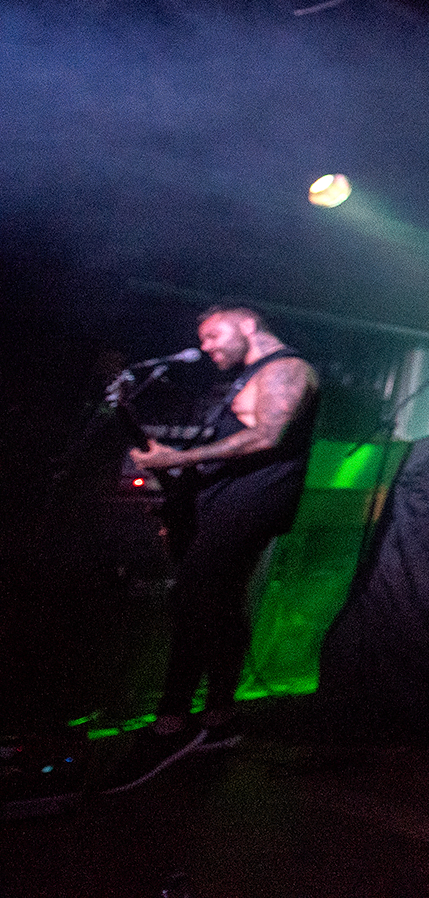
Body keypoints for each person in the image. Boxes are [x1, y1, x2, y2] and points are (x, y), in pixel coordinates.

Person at [111, 305, 319, 789]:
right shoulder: (247, 376)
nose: (206, 347)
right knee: (219, 606)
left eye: (213, 334)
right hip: (222, 503)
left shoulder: (287, 368)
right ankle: (220, 719)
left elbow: (269, 434)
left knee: (193, 599)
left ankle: (172, 723)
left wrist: (180, 458)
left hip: (252, 503)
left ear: (247, 324)